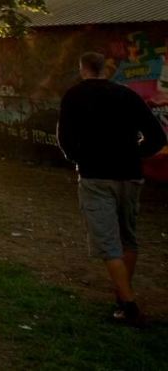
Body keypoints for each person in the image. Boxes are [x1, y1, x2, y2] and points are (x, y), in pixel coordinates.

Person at [57, 51, 167, 326]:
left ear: (83, 68)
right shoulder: (127, 95)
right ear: (105, 68)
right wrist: (133, 153)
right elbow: (157, 137)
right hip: (130, 175)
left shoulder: (73, 96)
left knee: (108, 243)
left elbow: (66, 138)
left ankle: (129, 305)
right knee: (128, 239)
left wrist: (79, 158)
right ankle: (122, 298)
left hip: (96, 177)